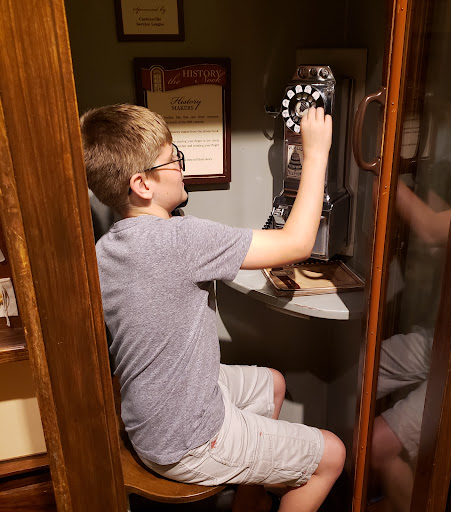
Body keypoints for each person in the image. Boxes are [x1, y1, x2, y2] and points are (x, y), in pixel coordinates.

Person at [80, 103, 345, 512]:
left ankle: (249, 503)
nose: (180, 167)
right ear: (143, 184)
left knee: (272, 384)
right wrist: (315, 154)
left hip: (148, 424)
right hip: (189, 441)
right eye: (172, 159)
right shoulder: (181, 239)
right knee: (331, 455)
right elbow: (296, 244)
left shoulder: (104, 250)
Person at [369, 178, 451, 512]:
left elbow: (431, 229)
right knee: (360, 369)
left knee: (378, 444)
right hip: (442, 337)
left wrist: (384, 177)